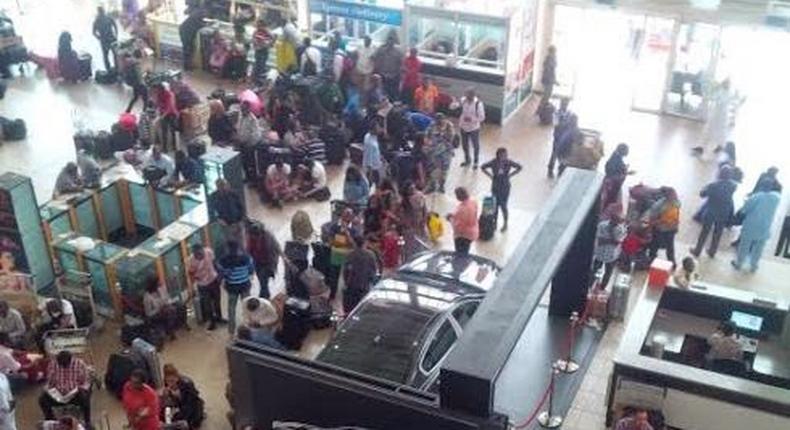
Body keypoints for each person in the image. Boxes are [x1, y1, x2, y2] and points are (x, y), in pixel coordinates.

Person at [732, 187, 782, 272]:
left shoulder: (756, 196)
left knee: (745, 245)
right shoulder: (776, 198)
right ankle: (754, 266)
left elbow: (745, 209)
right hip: (765, 226)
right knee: (759, 248)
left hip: (751, 225)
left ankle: (739, 263)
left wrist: (746, 201)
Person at [691, 166, 737, 259]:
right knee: (718, 232)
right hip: (724, 212)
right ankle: (712, 251)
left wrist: (705, 187)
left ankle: (697, 250)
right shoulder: (733, 185)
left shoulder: (713, 185)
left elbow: (702, 194)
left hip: (711, 211)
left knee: (704, 232)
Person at [39, 351, 92, 426]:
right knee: (42, 399)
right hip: (58, 395)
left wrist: (81, 388)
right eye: (61, 365)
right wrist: (48, 389)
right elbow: (49, 382)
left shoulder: (80, 364)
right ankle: (51, 419)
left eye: (65, 365)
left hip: (74, 394)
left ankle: (87, 421)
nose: (63, 367)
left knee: (84, 397)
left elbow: (86, 382)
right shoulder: (53, 364)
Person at [217, 240, 255, 335]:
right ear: (238, 248)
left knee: (231, 309)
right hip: (245, 286)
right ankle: (249, 328)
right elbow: (251, 270)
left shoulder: (223, 260)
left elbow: (222, 273)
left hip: (232, 287)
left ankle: (231, 331)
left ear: (228, 248)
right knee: (247, 307)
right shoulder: (246, 257)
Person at [480, 148, 523, 232]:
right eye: (503, 155)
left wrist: (510, 175)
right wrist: (490, 175)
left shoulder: (508, 162)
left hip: (505, 186)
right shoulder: (493, 162)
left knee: (503, 206)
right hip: (495, 186)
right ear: (498, 155)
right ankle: (494, 223)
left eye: (505, 155)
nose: (505, 157)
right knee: (495, 206)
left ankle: (505, 223)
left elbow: (519, 167)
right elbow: (483, 167)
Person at [187, 243, 223, 331]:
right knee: (207, 304)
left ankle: (219, 317)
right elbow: (190, 273)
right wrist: (194, 283)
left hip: (213, 279)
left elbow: (214, 263)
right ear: (194, 253)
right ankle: (212, 321)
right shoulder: (191, 260)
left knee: (217, 300)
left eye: (201, 253)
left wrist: (219, 275)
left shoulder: (209, 252)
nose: (200, 255)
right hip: (202, 284)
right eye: (197, 254)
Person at [342, 235, 378, 314]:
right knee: (362, 306)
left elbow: (345, 271)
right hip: (364, 284)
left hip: (352, 284)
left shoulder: (350, 254)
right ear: (364, 243)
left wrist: (346, 282)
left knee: (351, 306)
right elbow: (374, 269)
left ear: (354, 243)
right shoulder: (370, 254)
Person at [161, 364, 205, 429]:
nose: (170, 384)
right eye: (168, 381)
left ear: (176, 377)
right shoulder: (167, 384)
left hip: (192, 408)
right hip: (180, 407)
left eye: (172, 380)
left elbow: (190, 405)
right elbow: (169, 402)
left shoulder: (186, 384)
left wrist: (179, 397)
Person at [247, 222, 284, 299]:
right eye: (252, 235)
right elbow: (248, 251)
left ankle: (264, 298)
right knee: (262, 282)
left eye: (255, 236)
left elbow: (277, 247)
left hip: (267, 263)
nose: (254, 237)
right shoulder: (250, 238)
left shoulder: (268, 237)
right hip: (257, 262)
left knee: (264, 283)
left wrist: (284, 258)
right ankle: (264, 298)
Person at [645, 187, 680, 267]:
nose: (675, 197)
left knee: (670, 246)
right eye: (673, 195)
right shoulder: (658, 206)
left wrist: (676, 226)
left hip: (671, 229)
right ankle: (651, 260)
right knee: (655, 245)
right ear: (667, 196)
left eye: (675, 195)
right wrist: (650, 230)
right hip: (659, 230)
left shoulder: (676, 202)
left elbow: (677, 214)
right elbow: (652, 219)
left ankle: (672, 262)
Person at [593, 209, 627, 288]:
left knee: (608, 273)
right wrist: (612, 240)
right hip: (600, 253)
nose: (616, 222)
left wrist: (611, 233)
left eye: (618, 221)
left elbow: (617, 243)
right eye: (614, 220)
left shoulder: (621, 229)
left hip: (612, 255)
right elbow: (600, 240)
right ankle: (590, 285)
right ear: (611, 218)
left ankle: (602, 288)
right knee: (594, 271)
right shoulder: (602, 225)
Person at [426, 113, 455, 193]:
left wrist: (441, 134)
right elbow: (427, 135)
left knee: (444, 169)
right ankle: (432, 185)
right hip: (434, 150)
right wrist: (428, 144)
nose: (439, 122)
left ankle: (441, 185)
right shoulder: (432, 125)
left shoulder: (449, 126)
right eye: (437, 121)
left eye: (441, 120)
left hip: (446, 151)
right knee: (433, 168)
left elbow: (450, 138)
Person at [373, 31, 404, 100]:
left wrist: (398, 74)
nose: (390, 42)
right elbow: (374, 58)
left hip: (393, 77)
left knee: (393, 95)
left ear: (394, 41)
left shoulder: (398, 52)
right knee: (381, 94)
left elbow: (401, 64)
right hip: (382, 75)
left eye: (392, 40)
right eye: (389, 39)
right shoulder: (381, 49)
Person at [459, 88, 485, 169]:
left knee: (475, 145)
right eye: (466, 94)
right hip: (463, 126)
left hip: (474, 128)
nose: (466, 96)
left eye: (468, 95)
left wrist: (472, 120)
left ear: (472, 95)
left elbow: (482, 117)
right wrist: (453, 104)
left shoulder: (478, 104)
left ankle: (476, 162)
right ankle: (467, 160)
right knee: (464, 145)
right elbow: (456, 106)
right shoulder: (463, 100)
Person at [448, 187, 479, 255]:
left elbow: (457, 227)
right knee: (466, 250)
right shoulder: (473, 202)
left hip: (463, 235)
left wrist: (450, 219)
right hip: (472, 232)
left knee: (460, 253)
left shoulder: (461, 209)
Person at [236, 101, 262, 181]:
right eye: (241, 109)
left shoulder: (252, 119)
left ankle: (253, 179)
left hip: (249, 146)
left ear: (248, 109)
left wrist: (248, 142)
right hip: (241, 144)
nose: (242, 110)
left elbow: (255, 134)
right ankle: (247, 177)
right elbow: (239, 126)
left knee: (251, 163)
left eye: (244, 109)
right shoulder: (240, 115)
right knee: (244, 163)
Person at [548, 98, 572, 178]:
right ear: (560, 104)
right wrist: (566, 124)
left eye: (566, 104)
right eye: (563, 104)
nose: (564, 106)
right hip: (558, 137)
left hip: (565, 138)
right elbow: (556, 124)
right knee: (554, 153)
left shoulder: (569, 113)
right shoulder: (556, 113)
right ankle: (550, 169)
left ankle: (561, 169)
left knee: (563, 154)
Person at [152, 83, 179, 152]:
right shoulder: (159, 94)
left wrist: (163, 116)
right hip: (163, 114)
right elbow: (157, 104)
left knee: (173, 131)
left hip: (171, 114)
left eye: (156, 90)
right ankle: (164, 147)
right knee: (164, 131)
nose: (155, 91)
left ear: (161, 89)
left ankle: (174, 146)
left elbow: (170, 107)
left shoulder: (170, 94)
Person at [92, 6, 118, 72]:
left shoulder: (99, 20)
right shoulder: (99, 20)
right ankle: (112, 68)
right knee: (110, 54)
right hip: (108, 39)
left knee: (111, 54)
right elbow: (93, 32)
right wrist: (116, 34)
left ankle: (113, 68)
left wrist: (99, 37)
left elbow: (94, 32)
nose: (102, 12)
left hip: (108, 39)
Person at [251, 19, 273, 84]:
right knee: (258, 64)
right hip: (258, 50)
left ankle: (260, 79)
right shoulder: (256, 32)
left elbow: (271, 39)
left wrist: (267, 43)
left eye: (260, 25)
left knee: (262, 64)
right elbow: (253, 39)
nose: (258, 26)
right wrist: (256, 44)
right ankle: (255, 79)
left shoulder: (267, 32)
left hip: (264, 50)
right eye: (258, 25)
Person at [356, 35, 375, 104]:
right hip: (359, 70)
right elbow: (356, 55)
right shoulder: (359, 46)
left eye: (369, 41)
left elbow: (374, 59)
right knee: (359, 88)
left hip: (368, 72)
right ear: (364, 40)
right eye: (366, 41)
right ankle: (358, 103)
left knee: (366, 89)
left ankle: (365, 104)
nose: (367, 42)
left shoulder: (373, 48)